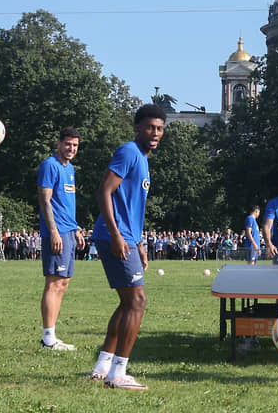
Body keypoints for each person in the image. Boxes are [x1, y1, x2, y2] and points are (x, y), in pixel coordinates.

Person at [89, 104, 166, 391]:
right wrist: (117, 235)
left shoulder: (143, 159)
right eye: (149, 127)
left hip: (125, 238)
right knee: (137, 302)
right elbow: (104, 191)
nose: (155, 133)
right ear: (137, 128)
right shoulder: (129, 152)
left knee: (126, 303)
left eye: (159, 128)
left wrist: (138, 242)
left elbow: (131, 206)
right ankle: (118, 373)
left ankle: (102, 366)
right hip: (114, 237)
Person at [38, 127, 85, 351]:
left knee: (63, 283)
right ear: (59, 143)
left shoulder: (71, 168)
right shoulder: (50, 165)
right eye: (68, 144)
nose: (71, 149)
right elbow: (45, 201)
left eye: (75, 145)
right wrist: (54, 231)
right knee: (54, 282)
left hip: (68, 231)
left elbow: (66, 203)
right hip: (55, 232)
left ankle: (52, 335)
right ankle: (48, 338)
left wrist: (75, 229)